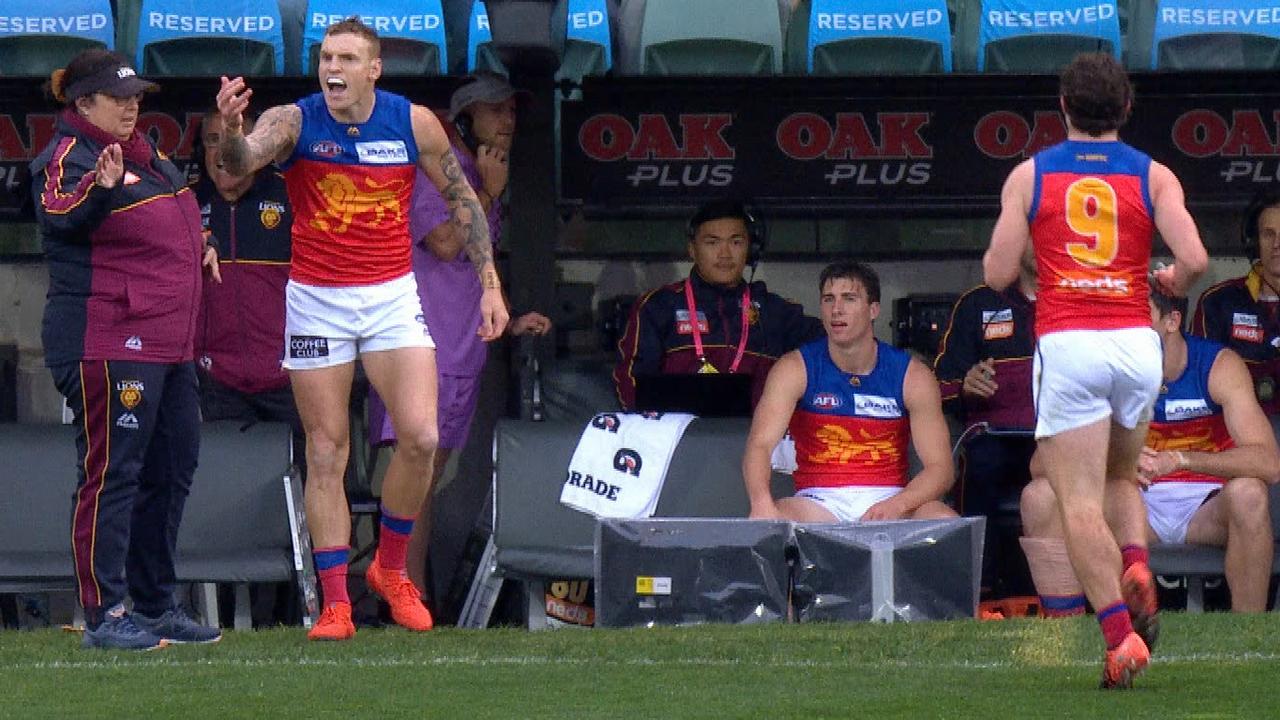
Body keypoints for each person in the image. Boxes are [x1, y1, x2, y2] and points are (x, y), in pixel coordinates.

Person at [215, 17, 509, 641]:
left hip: (389, 296)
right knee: (326, 451)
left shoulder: (413, 122)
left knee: (423, 437)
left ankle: (390, 569)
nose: (333, 69)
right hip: (317, 299)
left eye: (347, 58)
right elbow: (241, 162)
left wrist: (490, 284)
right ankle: (335, 605)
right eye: (325, 58)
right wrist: (234, 134)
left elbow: (463, 202)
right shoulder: (294, 120)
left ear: (374, 68)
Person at [982, 52, 1209, 688]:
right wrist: (1170, 278)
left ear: (1063, 108)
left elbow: (997, 275)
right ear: (1126, 109)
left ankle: (1119, 637)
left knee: (1075, 501)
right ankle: (1135, 562)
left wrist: (1032, 256)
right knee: (1119, 477)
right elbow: (1193, 256)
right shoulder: (1154, 174)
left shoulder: (1030, 175)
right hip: (1137, 343)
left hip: (1070, 340)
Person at [31, 49, 223, 649]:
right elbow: (59, 214)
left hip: (170, 342)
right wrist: (99, 188)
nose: (134, 104)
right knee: (113, 472)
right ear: (83, 103)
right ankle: (105, 614)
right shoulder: (69, 156)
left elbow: (170, 219)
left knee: (171, 470)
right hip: (108, 338)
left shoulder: (146, 152)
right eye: (121, 96)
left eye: (138, 94)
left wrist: (203, 242)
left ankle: (158, 604)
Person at [366, 72, 553, 600]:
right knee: (415, 476)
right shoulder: (441, 168)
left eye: (511, 110)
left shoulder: (484, 171)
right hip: (427, 344)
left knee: (429, 477)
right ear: (464, 121)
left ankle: (406, 589)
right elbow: (447, 243)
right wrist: (489, 194)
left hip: (461, 346)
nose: (507, 120)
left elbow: (476, 267)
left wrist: (508, 317)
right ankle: (404, 592)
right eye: (495, 111)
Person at [1021, 288, 1280, 613]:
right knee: (1040, 496)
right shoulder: (1104, 367)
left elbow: (1269, 463)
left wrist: (1183, 459)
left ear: (1172, 320)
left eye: (1137, 314)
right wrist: (1117, 460)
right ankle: (1065, 635)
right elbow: (1040, 464)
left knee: (1251, 494)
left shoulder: (1218, 365)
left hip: (1206, 510)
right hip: (1134, 508)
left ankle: (1248, 637)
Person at [743, 261, 956, 523]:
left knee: (945, 520)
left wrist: (898, 504)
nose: (837, 310)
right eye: (828, 299)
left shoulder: (913, 375)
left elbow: (941, 469)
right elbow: (760, 445)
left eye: (849, 299)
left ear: (874, 309)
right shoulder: (794, 368)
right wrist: (761, 503)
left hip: (892, 497)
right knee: (774, 521)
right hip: (818, 501)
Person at [613, 198, 823, 410]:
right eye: (712, 242)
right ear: (692, 250)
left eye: (736, 242)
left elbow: (840, 347)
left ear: (750, 250)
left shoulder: (776, 312)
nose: (724, 254)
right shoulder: (658, 307)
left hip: (757, 437)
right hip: (681, 438)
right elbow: (631, 387)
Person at [934, 257, 1037, 600]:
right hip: (993, 435)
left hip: (1059, 434)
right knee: (981, 464)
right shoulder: (978, 303)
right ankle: (979, 589)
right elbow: (940, 381)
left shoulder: (1077, 300)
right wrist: (965, 383)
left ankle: (1065, 590)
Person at [194, 110, 299, 437]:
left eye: (234, 140)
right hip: (217, 382)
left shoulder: (295, 197)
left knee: (303, 482)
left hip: (291, 377)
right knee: (232, 484)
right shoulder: (186, 204)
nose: (223, 151)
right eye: (213, 140)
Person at [1191, 186, 1280, 419]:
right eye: (1269, 234)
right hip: (1234, 432)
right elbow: (1199, 382)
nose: (1277, 244)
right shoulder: (1218, 302)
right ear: (1254, 242)